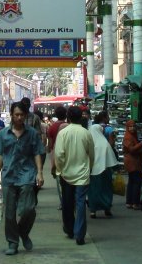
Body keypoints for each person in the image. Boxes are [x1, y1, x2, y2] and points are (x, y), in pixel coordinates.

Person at [0, 101, 44, 255]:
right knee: (9, 214)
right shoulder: (3, 134)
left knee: (29, 209)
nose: (19, 117)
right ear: (11, 115)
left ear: (26, 115)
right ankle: (12, 243)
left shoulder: (32, 134)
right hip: (8, 176)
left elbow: (37, 153)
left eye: (22, 115)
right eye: (16, 114)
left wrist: (40, 172)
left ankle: (23, 231)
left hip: (27, 176)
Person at [54, 105, 94, 245]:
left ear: (68, 117)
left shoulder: (63, 133)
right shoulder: (86, 133)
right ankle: (80, 234)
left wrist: (60, 169)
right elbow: (91, 154)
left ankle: (69, 229)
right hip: (82, 174)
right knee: (81, 203)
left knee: (67, 202)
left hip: (66, 174)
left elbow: (59, 155)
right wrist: (90, 168)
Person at [88, 119, 119, 218]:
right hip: (105, 172)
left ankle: (93, 210)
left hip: (92, 172)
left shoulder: (89, 143)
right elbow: (111, 158)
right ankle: (107, 208)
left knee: (93, 191)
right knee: (106, 190)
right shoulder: (104, 143)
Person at [46, 105, 67, 209]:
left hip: (56, 155)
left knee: (59, 180)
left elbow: (50, 146)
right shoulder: (68, 125)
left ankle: (62, 202)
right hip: (68, 154)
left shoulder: (52, 127)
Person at [122, 119, 142, 210]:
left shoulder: (132, 135)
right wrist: (141, 144)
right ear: (127, 127)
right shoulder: (128, 137)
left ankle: (130, 202)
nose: (132, 128)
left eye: (133, 126)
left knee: (132, 182)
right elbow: (131, 149)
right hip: (133, 162)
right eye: (130, 126)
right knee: (136, 182)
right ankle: (135, 203)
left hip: (133, 161)